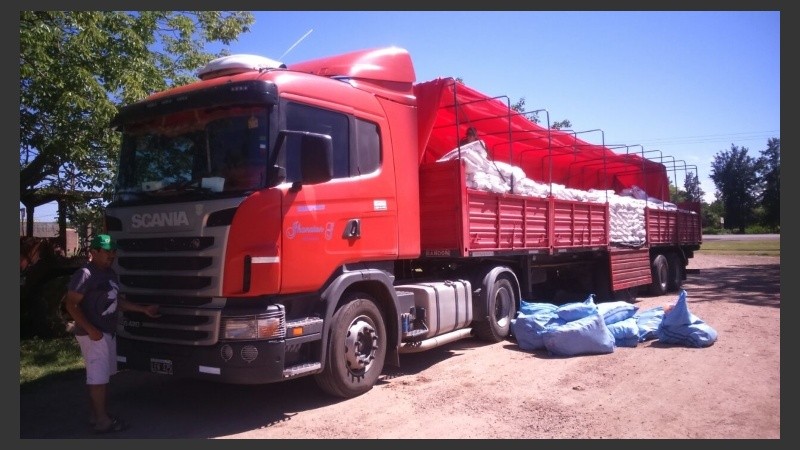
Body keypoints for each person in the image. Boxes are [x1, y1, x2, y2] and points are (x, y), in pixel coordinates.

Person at [64, 234, 160, 434]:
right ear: (94, 252)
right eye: (107, 251)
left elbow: (116, 302)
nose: (112, 255)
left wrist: (142, 310)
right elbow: (70, 304)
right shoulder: (85, 274)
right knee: (98, 377)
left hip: (106, 332)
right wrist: (91, 330)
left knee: (100, 377)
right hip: (93, 334)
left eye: (114, 251)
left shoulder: (110, 273)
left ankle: (95, 415)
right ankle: (102, 421)